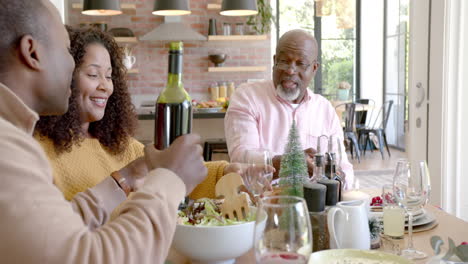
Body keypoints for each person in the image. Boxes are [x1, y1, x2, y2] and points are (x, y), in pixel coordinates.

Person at [0, 1, 207, 263]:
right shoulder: (7, 148)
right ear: (32, 52)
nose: (70, 67)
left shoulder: (13, 136)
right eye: (66, 50)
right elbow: (89, 257)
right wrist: (169, 179)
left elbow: (64, 228)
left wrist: (128, 175)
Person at [34, 26, 234, 201]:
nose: (105, 86)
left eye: (109, 76)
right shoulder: (38, 153)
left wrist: (226, 172)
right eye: (93, 75)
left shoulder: (118, 144)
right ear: (64, 78)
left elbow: (176, 171)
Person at [225, 29, 354, 186]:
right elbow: (242, 158)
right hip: (263, 202)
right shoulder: (247, 97)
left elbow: (343, 167)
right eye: (284, 61)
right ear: (274, 61)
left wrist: (338, 178)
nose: (290, 70)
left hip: (316, 204)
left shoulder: (324, 109)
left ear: (314, 69)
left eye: (300, 64)